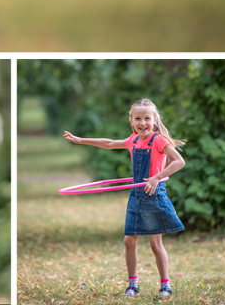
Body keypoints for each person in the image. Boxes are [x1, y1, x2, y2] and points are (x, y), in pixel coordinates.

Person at [64, 98, 185, 299]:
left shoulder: (158, 141)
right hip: (136, 196)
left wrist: (156, 177)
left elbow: (179, 161)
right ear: (131, 121)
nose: (142, 123)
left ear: (155, 120)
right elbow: (110, 143)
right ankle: (132, 284)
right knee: (129, 241)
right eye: (138, 118)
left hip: (154, 195)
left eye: (147, 118)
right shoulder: (133, 140)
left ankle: (165, 285)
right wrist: (80, 140)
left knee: (156, 245)